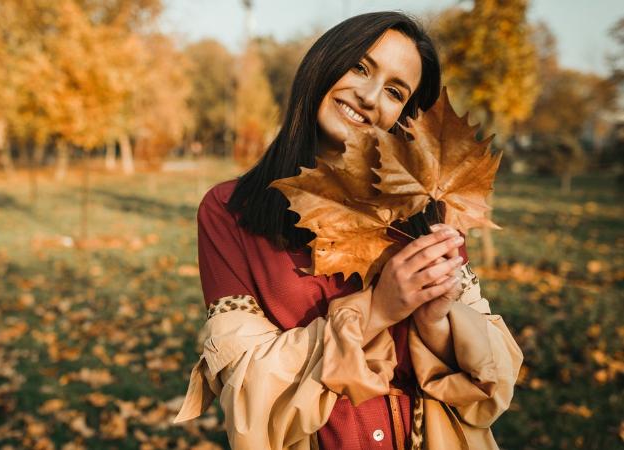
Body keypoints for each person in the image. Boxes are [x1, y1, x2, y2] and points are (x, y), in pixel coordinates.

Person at [174, 11, 523, 450]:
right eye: (360, 67)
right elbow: (246, 393)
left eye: (395, 91)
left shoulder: (427, 210)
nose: (370, 96)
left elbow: (496, 381)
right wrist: (377, 311)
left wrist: (438, 322)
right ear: (324, 62)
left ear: (404, 115)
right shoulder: (230, 211)